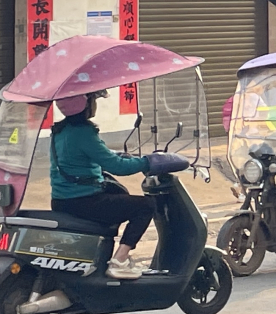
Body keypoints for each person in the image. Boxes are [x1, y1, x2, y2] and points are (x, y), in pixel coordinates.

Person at [49, 90, 184, 278]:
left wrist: (116, 154)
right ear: (84, 104)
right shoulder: (84, 133)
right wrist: (149, 162)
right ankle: (119, 260)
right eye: (93, 100)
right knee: (145, 206)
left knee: (119, 198)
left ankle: (101, 257)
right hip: (83, 200)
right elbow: (117, 167)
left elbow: (84, 157)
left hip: (63, 200)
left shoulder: (59, 131)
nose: (95, 104)